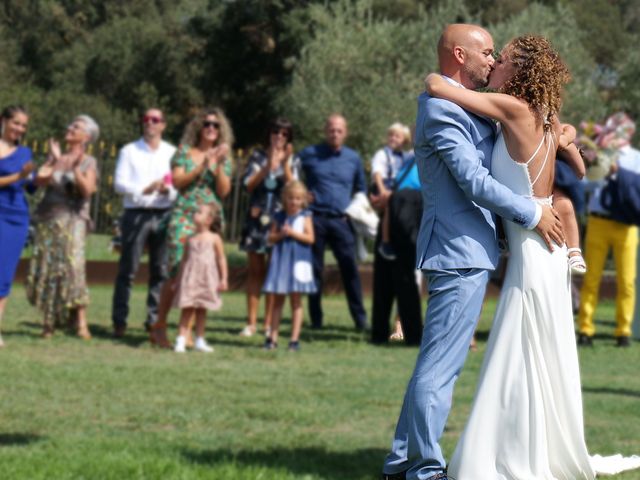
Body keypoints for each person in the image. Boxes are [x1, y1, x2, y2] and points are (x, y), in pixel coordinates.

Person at [423, 34, 640, 478]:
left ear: (518, 72)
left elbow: (441, 89)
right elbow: (579, 169)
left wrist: (433, 74)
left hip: (533, 242)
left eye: (501, 60)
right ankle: (532, 447)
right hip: (543, 246)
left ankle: (506, 454)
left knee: (520, 346)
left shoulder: (511, 108)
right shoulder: (542, 115)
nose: (494, 64)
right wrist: (566, 137)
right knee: (538, 348)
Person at [381, 25, 566, 480]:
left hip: (468, 250)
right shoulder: (443, 110)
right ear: (460, 55)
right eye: (486, 52)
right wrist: (531, 213)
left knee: (435, 364)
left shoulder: (462, 105)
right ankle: (424, 470)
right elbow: (475, 183)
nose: (492, 59)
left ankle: (401, 462)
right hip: (458, 252)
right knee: (440, 369)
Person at [154, 107, 233, 346]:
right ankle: (159, 325)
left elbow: (224, 191)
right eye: (207, 124)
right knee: (178, 271)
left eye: (216, 125)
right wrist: (201, 166)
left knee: (203, 272)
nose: (211, 128)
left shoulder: (224, 157)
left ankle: (187, 331)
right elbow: (178, 182)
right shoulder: (184, 153)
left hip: (210, 220)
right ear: (198, 128)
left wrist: (217, 163)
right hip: (184, 216)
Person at [27, 115, 100, 340]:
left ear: (86, 136)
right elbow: (39, 180)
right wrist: (54, 160)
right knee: (49, 269)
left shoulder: (89, 161)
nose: (69, 128)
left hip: (73, 219)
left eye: (76, 127)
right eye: (70, 124)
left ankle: (81, 323)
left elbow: (86, 190)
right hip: (49, 220)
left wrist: (75, 169)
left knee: (73, 267)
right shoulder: (56, 157)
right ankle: (49, 322)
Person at [111, 108, 177, 342]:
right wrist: (143, 189)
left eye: (155, 120)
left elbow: (178, 184)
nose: (149, 123)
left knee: (160, 271)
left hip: (163, 213)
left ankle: (153, 321)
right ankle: (119, 321)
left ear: (163, 125)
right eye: (146, 119)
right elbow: (119, 184)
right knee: (127, 271)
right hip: (136, 213)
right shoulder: (129, 151)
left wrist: (166, 189)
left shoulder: (173, 152)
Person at [299, 114, 368, 331]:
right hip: (315, 219)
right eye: (331, 129)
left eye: (339, 130)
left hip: (341, 221)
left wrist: (354, 210)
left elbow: (361, 189)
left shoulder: (353, 158)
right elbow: (290, 177)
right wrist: (301, 196)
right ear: (325, 130)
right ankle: (316, 320)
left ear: (345, 132)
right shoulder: (308, 155)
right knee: (315, 271)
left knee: (350, 271)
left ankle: (360, 320)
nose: (335, 133)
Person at [577, 112, 640, 348]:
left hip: (626, 226)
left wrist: (617, 172)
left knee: (627, 282)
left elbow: (636, 189)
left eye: (620, 129)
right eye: (612, 128)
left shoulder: (635, 158)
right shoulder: (597, 153)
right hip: (598, 221)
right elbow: (584, 184)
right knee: (591, 279)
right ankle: (585, 329)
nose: (615, 133)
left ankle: (623, 331)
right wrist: (595, 161)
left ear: (629, 132)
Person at [238, 118, 299, 338]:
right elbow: (248, 185)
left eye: (284, 134)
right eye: (275, 132)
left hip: (280, 222)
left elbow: (295, 188)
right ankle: (251, 323)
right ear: (269, 134)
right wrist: (267, 167)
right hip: (257, 220)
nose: (279, 137)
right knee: (255, 272)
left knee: (274, 272)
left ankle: (268, 324)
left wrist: (284, 165)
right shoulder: (257, 156)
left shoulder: (293, 160)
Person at [370, 150, 424, 346]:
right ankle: (381, 333)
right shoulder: (409, 156)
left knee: (404, 274)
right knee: (388, 272)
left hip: (408, 202)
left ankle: (410, 334)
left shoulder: (432, 150)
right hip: (398, 203)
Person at [262, 180, 316, 351]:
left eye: (298, 199)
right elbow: (270, 238)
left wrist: (292, 233)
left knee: (296, 300)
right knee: (278, 300)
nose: (294, 202)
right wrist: (280, 234)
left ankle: (294, 340)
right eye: (291, 198)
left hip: (298, 260)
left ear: (303, 200)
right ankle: (272, 338)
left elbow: (310, 238)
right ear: (285, 198)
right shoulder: (279, 216)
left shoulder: (305, 216)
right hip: (282, 260)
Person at [0, 105, 34, 347]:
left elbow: (32, 186)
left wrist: (45, 171)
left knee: (3, 274)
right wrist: (18, 177)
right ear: (4, 120)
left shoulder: (25, 153)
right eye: (16, 123)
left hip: (15, 218)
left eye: (23, 125)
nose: (19, 129)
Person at [173, 202, 228, 353]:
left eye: (200, 212)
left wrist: (224, 278)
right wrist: (178, 280)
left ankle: (200, 340)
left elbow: (221, 258)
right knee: (187, 309)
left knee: (202, 310)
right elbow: (184, 261)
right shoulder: (189, 238)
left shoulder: (215, 238)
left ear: (209, 220)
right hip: (190, 279)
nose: (195, 213)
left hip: (207, 279)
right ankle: (181, 339)